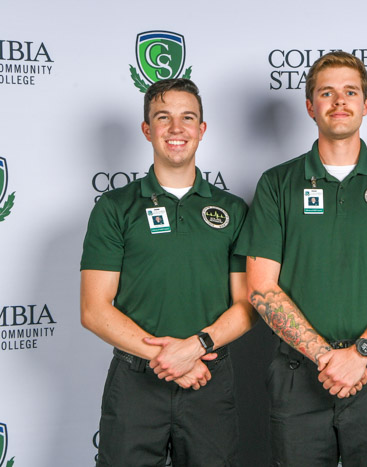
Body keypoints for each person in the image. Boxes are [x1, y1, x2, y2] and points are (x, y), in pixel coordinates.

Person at [236, 51, 367, 466]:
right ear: (310, 106)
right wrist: (327, 358)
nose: (339, 101)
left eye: (350, 92)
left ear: (366, 103)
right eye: (327, 93)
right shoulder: (277, 183)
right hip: (298, 372)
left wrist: (360, 353)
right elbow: (261, 286)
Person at [80, 78, 256, 467]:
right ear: (147, 129)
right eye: (164, 117)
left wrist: (194, 349)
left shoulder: (233, 209)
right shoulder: (114, 208)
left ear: (201, 130)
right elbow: (94, 308)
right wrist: (168, 360)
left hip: (208, 379)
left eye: (187, 117)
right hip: (135, 383)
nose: (176, 129)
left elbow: (247, 305)